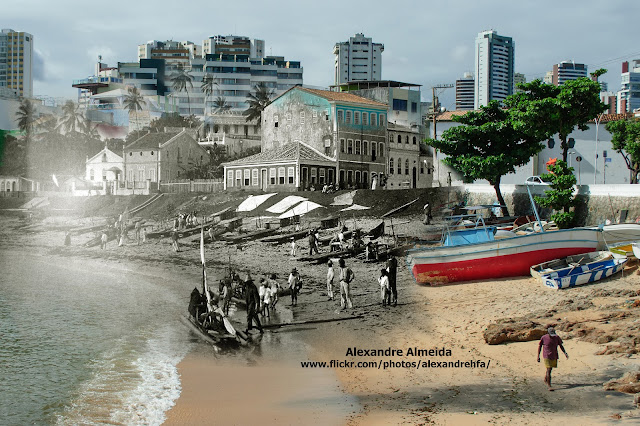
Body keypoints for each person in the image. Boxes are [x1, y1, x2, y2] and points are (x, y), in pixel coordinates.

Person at [537, 327, 568, 391]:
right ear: (548, 333)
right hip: (547, 355)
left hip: (554, 355)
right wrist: (538, 356)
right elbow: (540, 346)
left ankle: (546, 379)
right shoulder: (544, 338)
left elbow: (561, 345)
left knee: (550, 369)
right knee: (549, 370)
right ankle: (549, 385)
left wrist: (565, 353)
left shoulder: (557, 338)